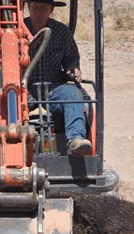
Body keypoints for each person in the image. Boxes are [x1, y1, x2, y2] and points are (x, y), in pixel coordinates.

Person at [24, 0, 92, 156]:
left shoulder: (61, 32)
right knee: (7, 102)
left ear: (51, 9)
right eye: (35, 7)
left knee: (73, 93)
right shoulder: (16, 31)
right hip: (24, 89)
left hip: (53, 89)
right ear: (28, 7)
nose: (38, 12)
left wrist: (73, 67)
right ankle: (11, 144)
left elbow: (71, 57)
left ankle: (75, 139)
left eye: (43, 8)